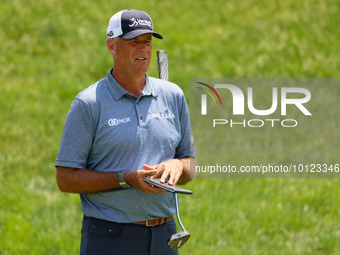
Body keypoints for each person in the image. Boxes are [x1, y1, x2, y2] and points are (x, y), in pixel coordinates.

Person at [55, 9, 196, 255]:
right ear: (112, 45)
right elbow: (65, 178)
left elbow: (190, 165)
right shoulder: (89, 103)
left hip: (165, 234)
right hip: (111, 237)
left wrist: (177, 166)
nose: (143, 49)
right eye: (134, 42)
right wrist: (126, 178)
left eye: (147, 42)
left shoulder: (173, 95)